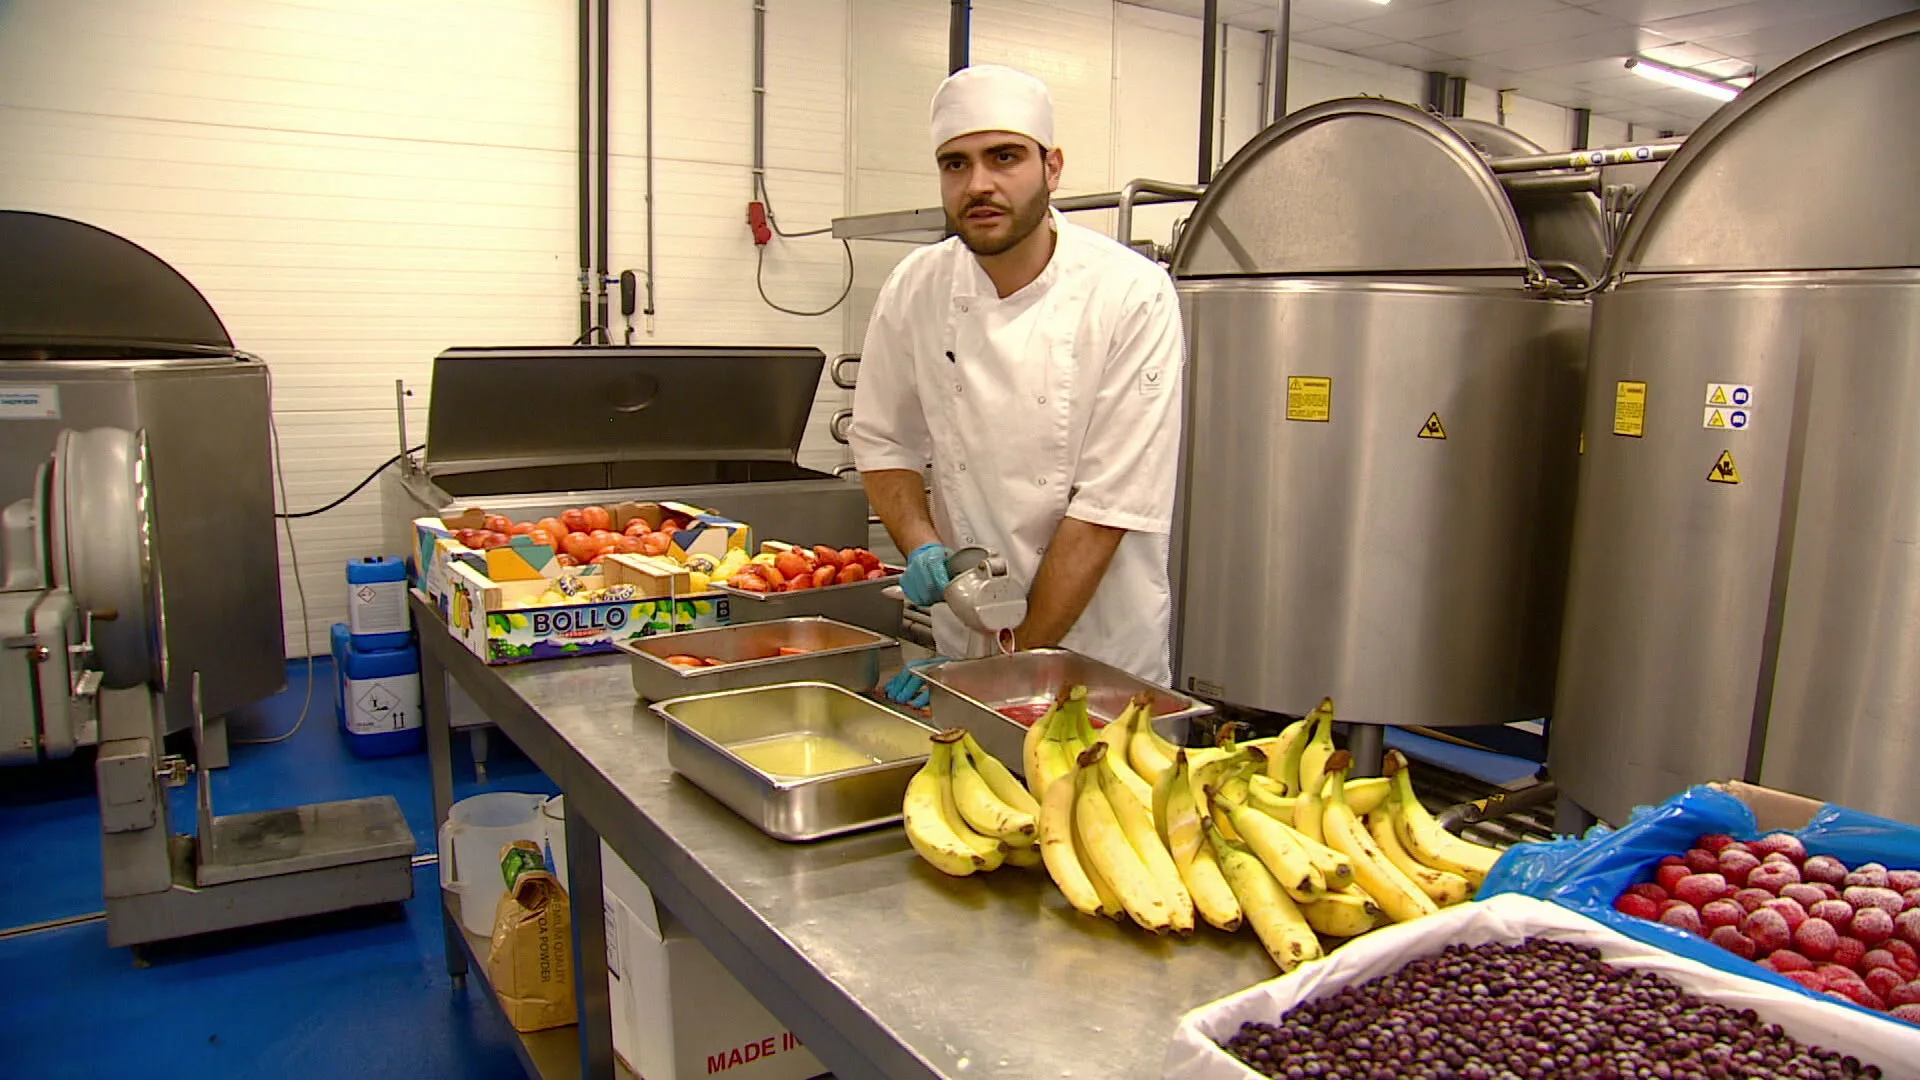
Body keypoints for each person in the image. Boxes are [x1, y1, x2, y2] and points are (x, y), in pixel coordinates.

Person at [848, 64, 1186, 708]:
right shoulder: (916, 286)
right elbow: (884, 441)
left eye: (1004, 157)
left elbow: (1105, 513)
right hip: (965, 633)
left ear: (1052, 168)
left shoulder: (1129, 293)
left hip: (1095, 657)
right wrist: (922, 547)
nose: (979, 184)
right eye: (956, 163)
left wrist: (1004, 678)